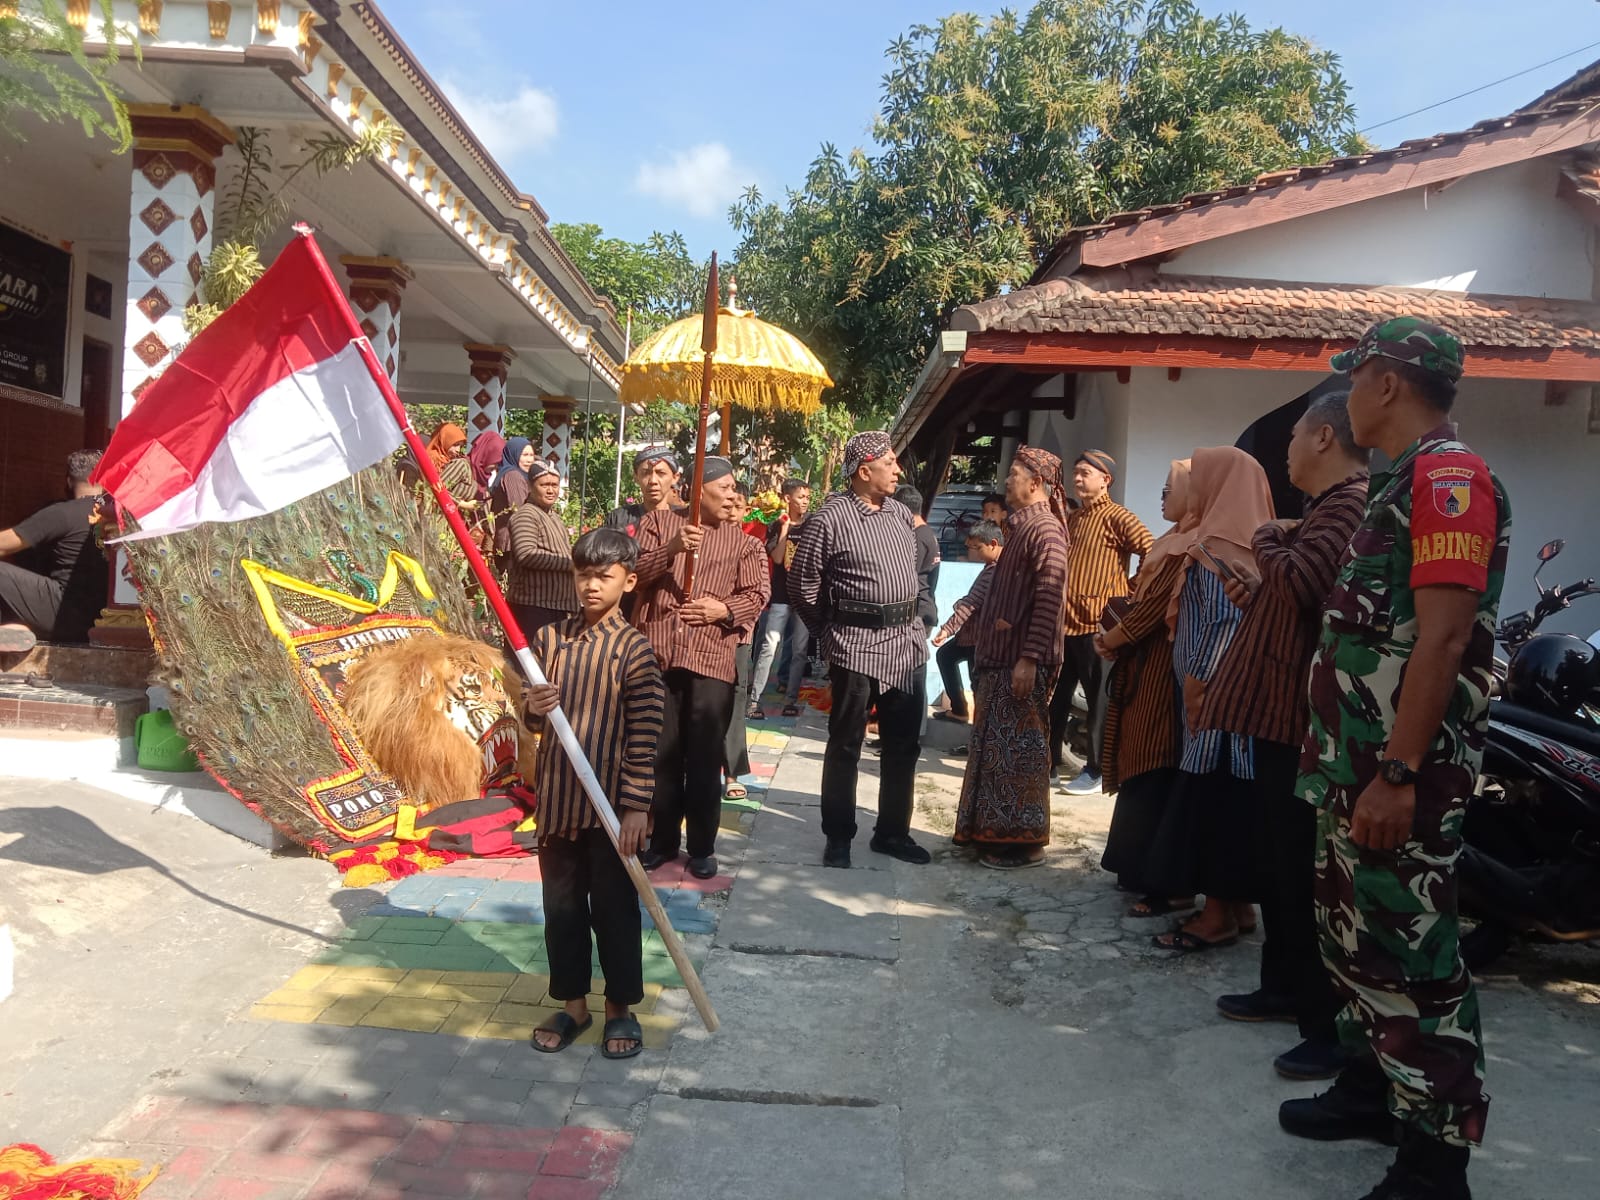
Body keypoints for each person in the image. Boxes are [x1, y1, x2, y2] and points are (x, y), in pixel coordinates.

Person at [1279, 319, 1507, 1200]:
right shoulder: (1398, 484)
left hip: (1397, 780)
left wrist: (1400, 774)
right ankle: (1375, 1088)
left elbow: (1443, 640)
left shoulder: (1450, 481)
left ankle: (1435, 1161)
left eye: (1358, 375)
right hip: (1351, 771)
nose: (1347, 395)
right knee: (1353, 945)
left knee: (1413, 960)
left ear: (1386, 383)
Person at [1203, 395, 1370, 1083]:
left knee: (1303, 872)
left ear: (1325, 437)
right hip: (1277, 715)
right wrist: (1258, 589)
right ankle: (1281, 986)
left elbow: (1301, 580)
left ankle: (1320, 1017)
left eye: (1296, 435)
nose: (1288, 449)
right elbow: (1297, 595)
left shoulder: (1345, 507)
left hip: (1303, 722)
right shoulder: (1321, 511)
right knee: (1278, 863)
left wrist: (1268, 536)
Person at [523, 527, 665, 1060]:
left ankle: (619, 1008)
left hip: (611, 811)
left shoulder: (634, 650)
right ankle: (574, 1006)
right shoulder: (548, 641)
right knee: (561, 910)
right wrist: (532, 707)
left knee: (614, 910)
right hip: (559, 804)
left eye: (603, 576)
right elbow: (531, 722)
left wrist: (637, 806)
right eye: (583, 575)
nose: (591, 586)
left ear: (628, 582)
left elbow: (645, 733)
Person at [1145, 447, 1275, 952]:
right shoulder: (1255, 544)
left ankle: (1217, 915)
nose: (1191, 486)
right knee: (1234, 799)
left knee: (1214, 802)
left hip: (1218, 705)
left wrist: (1198, 685)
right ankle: (1238, 907)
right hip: (1240, 702)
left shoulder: (1219, 547)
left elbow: (1222, 624)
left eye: (1200, 477)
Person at [789, 431, 931, 869]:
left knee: (903, 746)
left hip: (906, 645)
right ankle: (838, 836)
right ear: (864, 471)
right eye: (889, 462)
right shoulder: (829, 519)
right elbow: (802, 584)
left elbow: (914, 573)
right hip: (854, 646)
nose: (897, 470)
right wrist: (829, 631)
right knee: (845, 745)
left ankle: (892, 833)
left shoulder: (900, 514)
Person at [634, 457, 769, 878]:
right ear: (698, 490)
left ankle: (702, 847)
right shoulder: (659, 524)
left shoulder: (745, 544)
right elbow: (633, 573)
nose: (731, 495)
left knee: (705, 758)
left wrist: (721, 610)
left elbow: (757, 594)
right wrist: (671, 550)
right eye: (723, 487)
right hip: (660, 653)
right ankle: (662, 841)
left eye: (733, 488)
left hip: (711, 658)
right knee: (662, 755)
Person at [950, 446, 1071, 869]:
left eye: (1014, 474)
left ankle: (1022, 844)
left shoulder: (1046, 530)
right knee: (996, 752)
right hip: (1002, 660)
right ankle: (991, 834)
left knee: (1019, 756)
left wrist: (1030, 658)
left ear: (1035, 483)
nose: (1006, 480)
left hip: (1020, 663)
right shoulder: (1020, 528)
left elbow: (1050, 598)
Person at [1096, 460, 1194, 909]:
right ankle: (1132, 864)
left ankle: (1154, 873)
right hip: (1140, 664)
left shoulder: (1193, 543)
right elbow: (1137, 592)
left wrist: (1111, 639)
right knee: (1137, 759)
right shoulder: (1171, 539)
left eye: (1170, 488)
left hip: (1162, 670)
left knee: (1153, 760)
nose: (1162, 495)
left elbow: (1151, 610)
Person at [1051, 450, 1153, 796]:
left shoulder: (1118, 517)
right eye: (1076, 473)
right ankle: (1049, 764)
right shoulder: (1076, 518)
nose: (1077, 479)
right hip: (1065, 624)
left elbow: (1151, 550)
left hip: (1097, 626)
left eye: (1085, 473)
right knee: (1056, 697)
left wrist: (1129, 591)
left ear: (1105, 480)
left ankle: (1096, 770)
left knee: (1099, 701)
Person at [0, 450, 107, 651]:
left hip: (63, 615)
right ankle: (16, 628)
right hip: (103, 620)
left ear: (68, 481)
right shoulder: (116, 516)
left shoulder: (63, 513)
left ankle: (15, 626)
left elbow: (4, 545)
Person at [748, 477, 812, 719]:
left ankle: (791, 699)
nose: (805, 502)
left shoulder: (813, 524)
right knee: (769, 647)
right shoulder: (776, 525)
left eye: (807, 497)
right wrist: (785, 531)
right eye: (801, 497)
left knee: (799, 650)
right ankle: (754, 700)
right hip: (781, 596)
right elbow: (776, 558)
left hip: (804, 596)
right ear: (787, 498)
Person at [931, 520, 1004, 724]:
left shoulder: (995, 570)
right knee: (947, 656)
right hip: (973, 635)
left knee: (978, 684)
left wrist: (947, 629)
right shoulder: (994, 567)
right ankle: (961, 711)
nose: (976, 554)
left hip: (981, 639)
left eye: (978, 548)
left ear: (993, 543)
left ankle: (978, 729)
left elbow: (971, 604)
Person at [722, 481, 762, 797]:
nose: (732, 511)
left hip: (738, 634)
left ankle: (732, 773)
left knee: (735, 701)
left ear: (746, 510)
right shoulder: (704, 542)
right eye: (728, 504)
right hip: (703, 638)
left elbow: (758, 595)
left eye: (739, 506)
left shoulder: (752, 546)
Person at [507, 461, 579, 636]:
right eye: (544, 485)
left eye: (554, 485)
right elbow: (526, 554)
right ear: (530, 486)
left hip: (554, 606)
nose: (550, 490)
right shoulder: (526, 515)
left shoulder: (553, 516)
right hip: (533, 607)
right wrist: (570, 563)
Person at [605, 446, 685, 539]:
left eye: (661, 473)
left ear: (675, 477)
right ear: (636, 477)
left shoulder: (683, 519)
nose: (653, 481)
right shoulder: (619, 519)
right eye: (646, 473)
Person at [896, 485, 941, 640]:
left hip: (916, 613)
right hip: (924, 609)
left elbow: (907, 576)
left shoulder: (917, 537)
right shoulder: (927, 533)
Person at [490, 437, 537, 565]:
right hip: (511, 544)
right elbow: (519, 509)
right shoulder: (513, 476)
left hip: (514, 543)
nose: (529, 460)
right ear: (513, 455)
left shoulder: (521, 476)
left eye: (531, 455)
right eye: (524, 455)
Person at [427, 423, 478, 506]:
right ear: (445, 441)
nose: (458, 450)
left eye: (460, 446)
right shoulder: (434, 458)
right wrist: (463, 504)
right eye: (455, 445)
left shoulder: (448, 459)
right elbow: (437, 488)